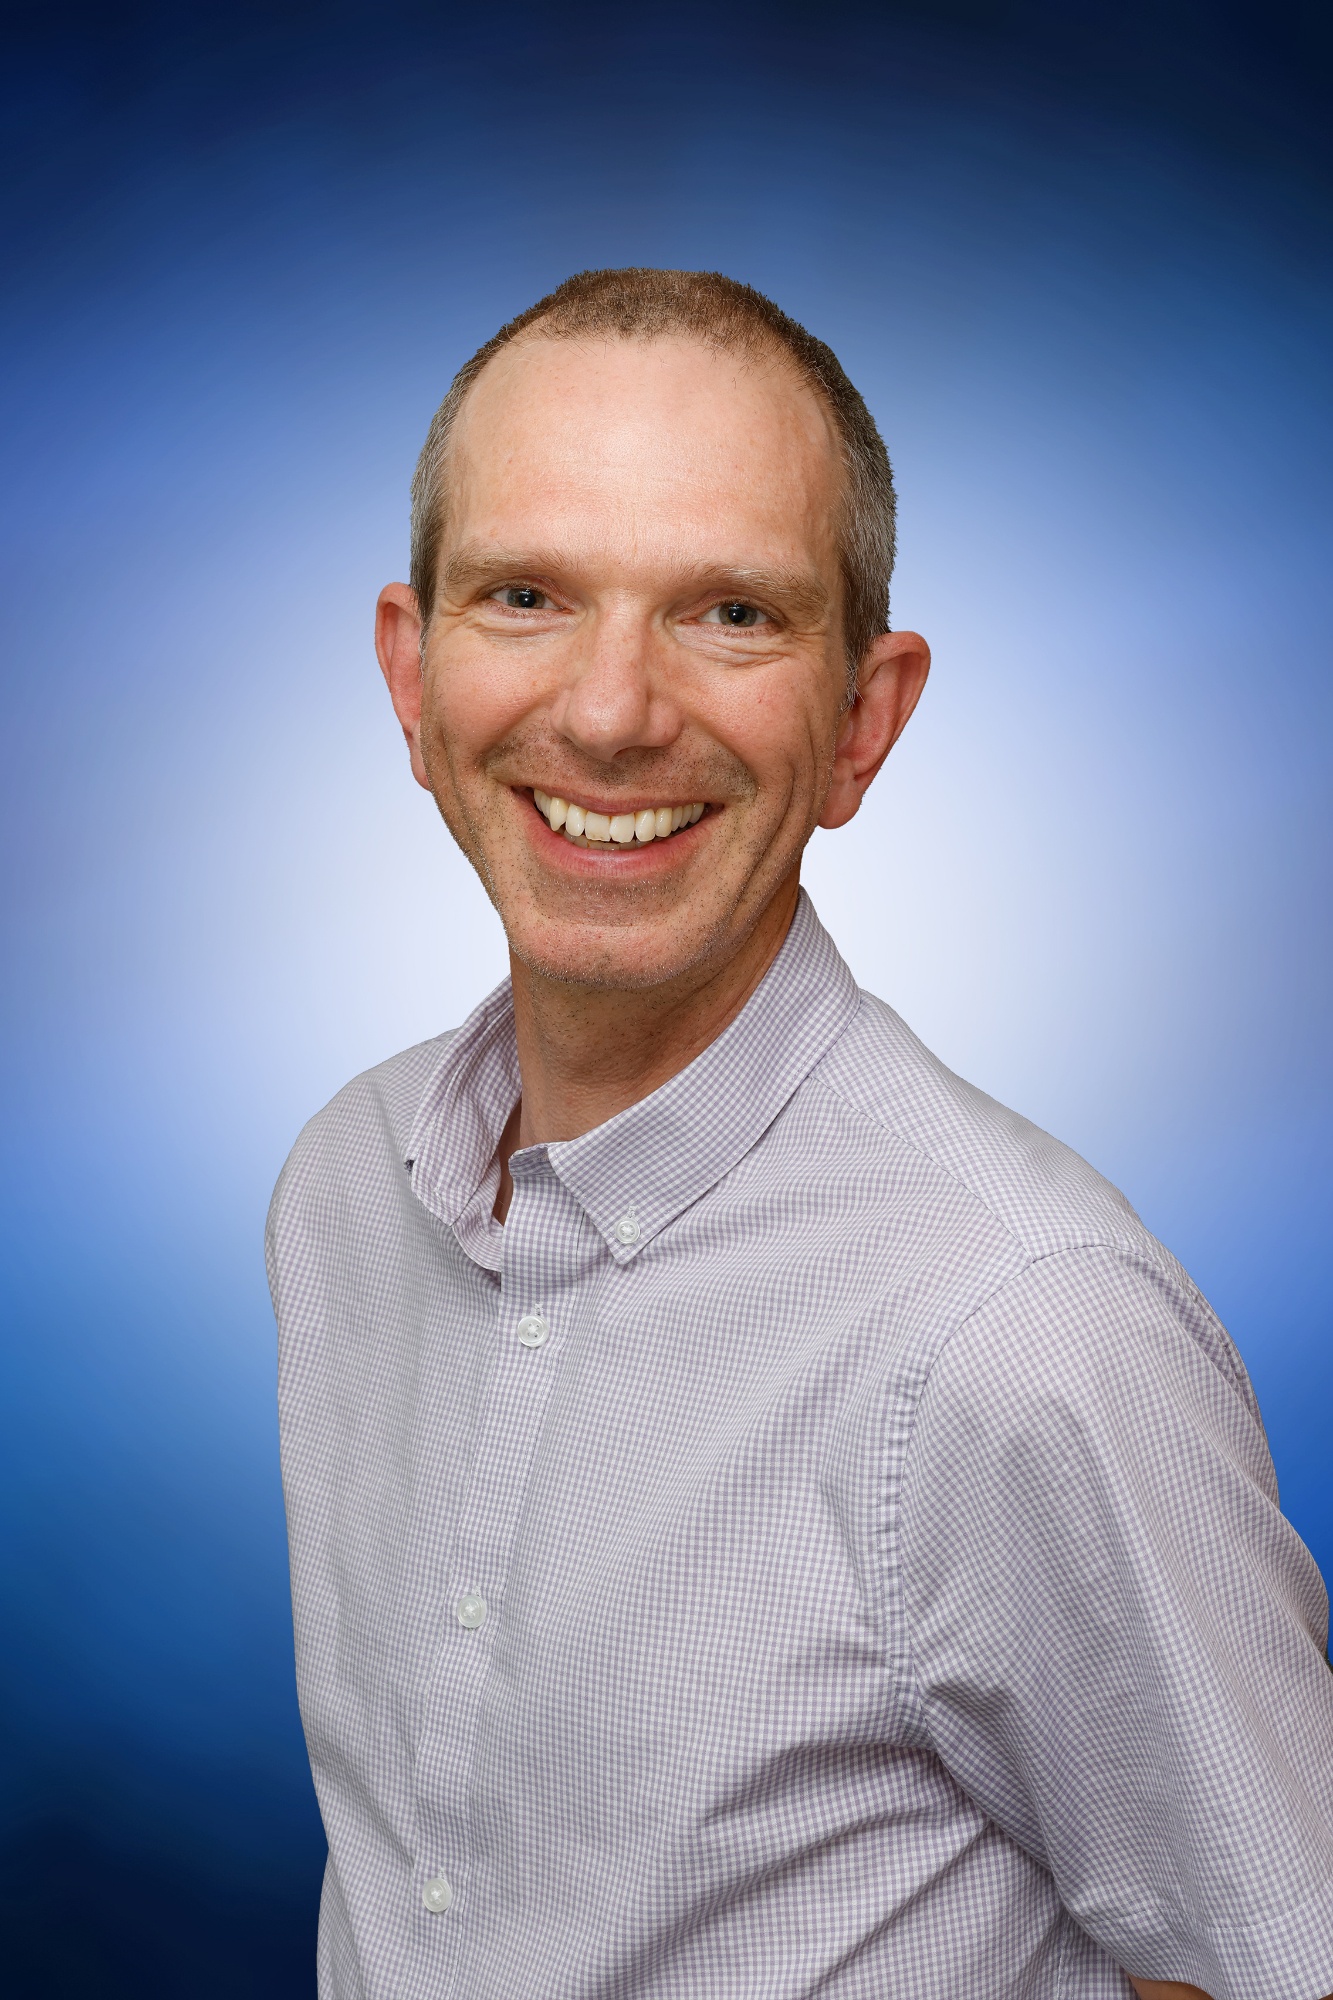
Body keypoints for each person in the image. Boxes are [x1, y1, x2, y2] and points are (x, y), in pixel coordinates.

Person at [267, 268, 1333, 2000]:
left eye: (732, 614)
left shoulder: (1023, 1337)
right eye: (525, 595)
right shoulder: (341, 1189)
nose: (609, 712)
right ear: (411, 671)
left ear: (861, 720)